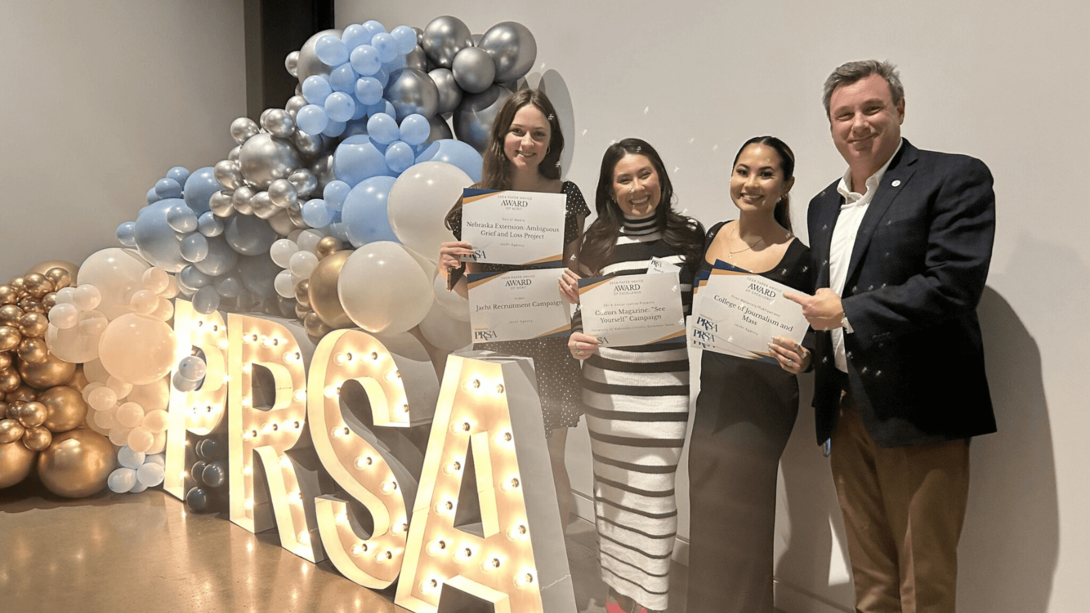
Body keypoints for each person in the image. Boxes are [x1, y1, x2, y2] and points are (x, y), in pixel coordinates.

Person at [784, 60, 997, 613]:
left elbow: (953, 286)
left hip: (920, 409)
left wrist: (847, 310)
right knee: (871, 579)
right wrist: (806, 352)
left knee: (923, 584)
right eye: (843, 114)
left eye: (872, 108)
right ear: (830, 126)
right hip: (846, 406)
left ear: (900, 109)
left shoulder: (954, 176)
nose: (858, 124)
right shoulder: (822, 204)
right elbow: (827, 296)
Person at [437, 89, 589, 527]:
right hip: (499, 348)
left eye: (538, 134)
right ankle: (512, 576)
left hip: (554, 347)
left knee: (549, 463)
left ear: (551, 142)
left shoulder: (568, 197)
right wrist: (448, 267)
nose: (528, 142)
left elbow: (576, 272)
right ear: (501, 136)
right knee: (502, 465)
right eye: (518, 131)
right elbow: (471, 290)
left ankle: (554, 582)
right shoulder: (478, 203)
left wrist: (577, 286)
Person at [567, 138, 704, 613]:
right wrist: (576, 337)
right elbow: (582, 315)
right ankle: (617, 596)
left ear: (661, 178)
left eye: (644, 174)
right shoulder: (596, 241)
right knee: (612, 495)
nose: (636, 187)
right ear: (611, 188)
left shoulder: (690, 238)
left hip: (665, 393)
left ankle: (651, 599)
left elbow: (705, 310)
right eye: (624, 179)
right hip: (607, 393)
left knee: (655, 500)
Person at [685, 136, 812, 613]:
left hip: (762, 408)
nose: (750, 183)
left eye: (765, 174)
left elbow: (815, 337)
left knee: (745, 528)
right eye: (742, 170)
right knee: (709, 522)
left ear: (786, 185)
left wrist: (807, 359)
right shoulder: (713, 234)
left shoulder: (800, 257)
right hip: (713, 398)